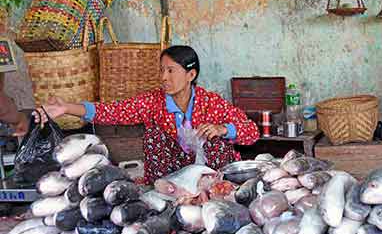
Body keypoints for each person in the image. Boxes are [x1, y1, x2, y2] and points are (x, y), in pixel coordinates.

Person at [37, 45, 260, 184]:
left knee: (216, 138)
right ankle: (166, 192)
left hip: (211, 177)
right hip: (171, 178)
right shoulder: (153, 102)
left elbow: (251, 132)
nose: (163, 77)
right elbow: (113, 112)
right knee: (154, 135)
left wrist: (223, 129)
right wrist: (67, 108)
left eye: (170, 71)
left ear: (191, 74)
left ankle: (215, 189)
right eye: (161, 70)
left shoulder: (211, 102)